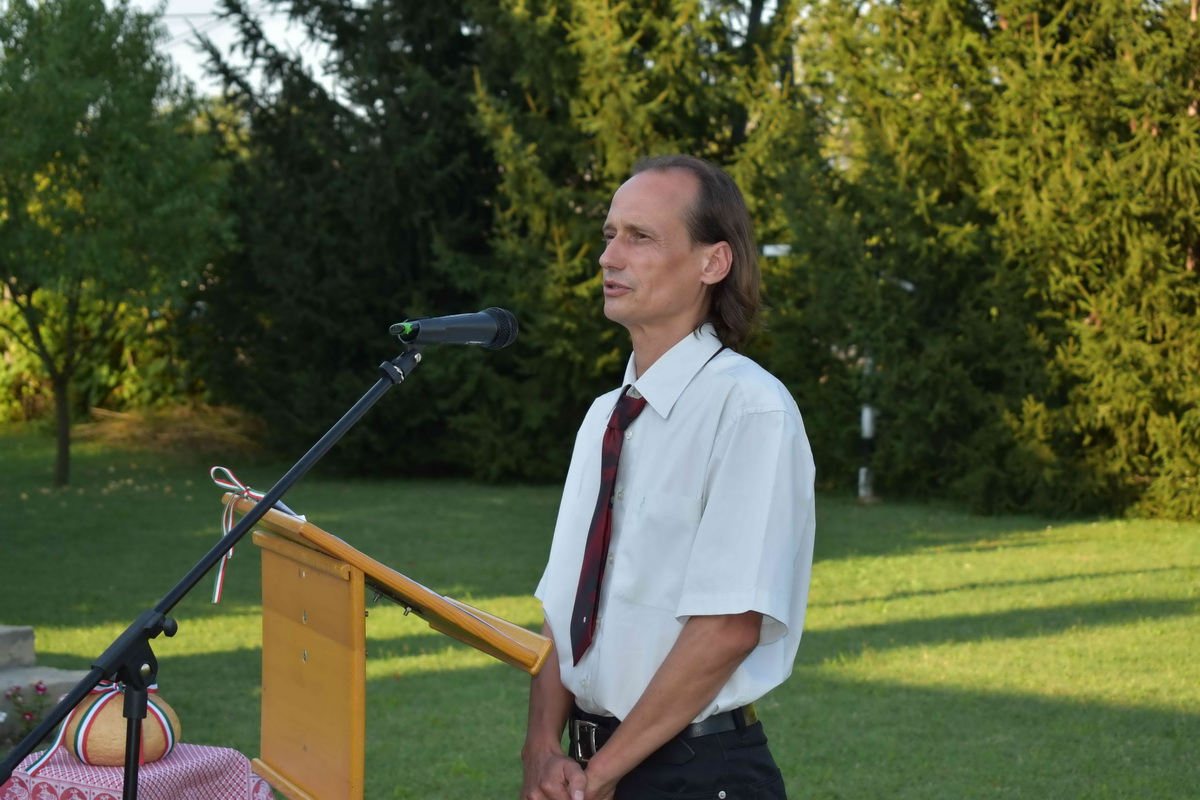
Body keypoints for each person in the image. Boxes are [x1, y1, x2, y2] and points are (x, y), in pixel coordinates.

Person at [521, 155, 816, 800]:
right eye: (609, 234)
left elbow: (728, 626)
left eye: (641, 237)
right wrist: (541, 749)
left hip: (696, 772)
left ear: (713, 262)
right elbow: (564, 609)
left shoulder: (750, 410)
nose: (609, 257)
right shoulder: (604, 417)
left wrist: (604, 772)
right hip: (587, 765)